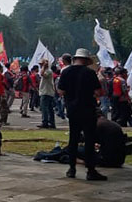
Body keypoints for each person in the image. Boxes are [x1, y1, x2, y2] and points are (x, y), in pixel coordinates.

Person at [57, 48, 107, 181]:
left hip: (72, 110)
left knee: (73, 139)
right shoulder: (90, 73)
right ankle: (91, 170)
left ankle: (71, 169)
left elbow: (61, 91)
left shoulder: (66, 72)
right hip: (87, 109)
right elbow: (98, 92)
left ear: (75, 59)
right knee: (89, 140)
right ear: (86, 60)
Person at [38, 58, 56, 129]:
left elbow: (42, 74)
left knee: (44, 108)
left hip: (46, 92)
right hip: (47, 92)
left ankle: (45, 122)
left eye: (41, 64)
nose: (40, 65)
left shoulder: (48, 71)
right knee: (49, 108)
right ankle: (51, 122)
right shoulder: (48, 71)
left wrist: (44, 66)